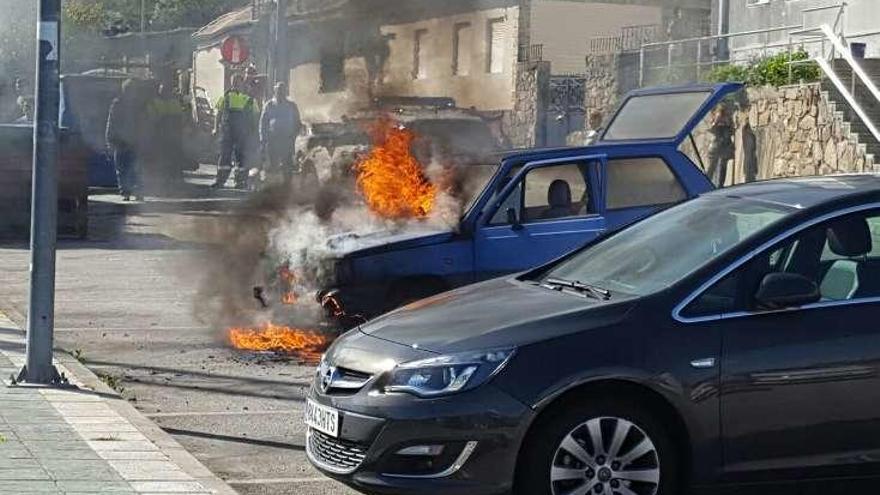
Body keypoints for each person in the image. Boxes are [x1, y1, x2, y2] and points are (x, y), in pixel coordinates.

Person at [213, 74, 259, 189]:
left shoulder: (250, 100)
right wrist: (215, 128)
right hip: (227, 132)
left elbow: (256, 117)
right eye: (234, 82)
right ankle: (220, 180)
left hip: (243, 134)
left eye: (238, 82)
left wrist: (254, 134)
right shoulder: (226, 97)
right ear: (232, 84)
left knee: (241, 158)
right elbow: (218, 114)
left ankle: (240, 182)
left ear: (242, 83)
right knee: (224, 156)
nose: (236, 84)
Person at [106, 79, 144, 201]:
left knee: (124, 168)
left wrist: (109, 140)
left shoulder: (118, 104)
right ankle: (135, 192)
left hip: (124, 141)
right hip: (130, 141)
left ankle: (127, 192)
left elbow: (111, 123)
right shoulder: (137, 105)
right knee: (132, 168)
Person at [259, 82, 302, 185]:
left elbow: (297, 122)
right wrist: (263, 138)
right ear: (275, 91)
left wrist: (294, 136)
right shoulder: (269, 105)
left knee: (287, 164)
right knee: (273, 164)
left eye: (282, 91)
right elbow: (263, 122)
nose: (280, 93)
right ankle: (273, 186)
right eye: (278, 91)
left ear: (285, 92)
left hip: (287, 139)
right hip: (273, 139)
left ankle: (287, 186)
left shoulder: (292, 106)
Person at [146, 83, 187, 189]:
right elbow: (182, 119)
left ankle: (168, 182)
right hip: (168, 138)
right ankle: (171, 181)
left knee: (167, 161)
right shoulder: (172, 103)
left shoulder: (156, 103)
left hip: (165, 138)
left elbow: (151, 119)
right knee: (170, 161)